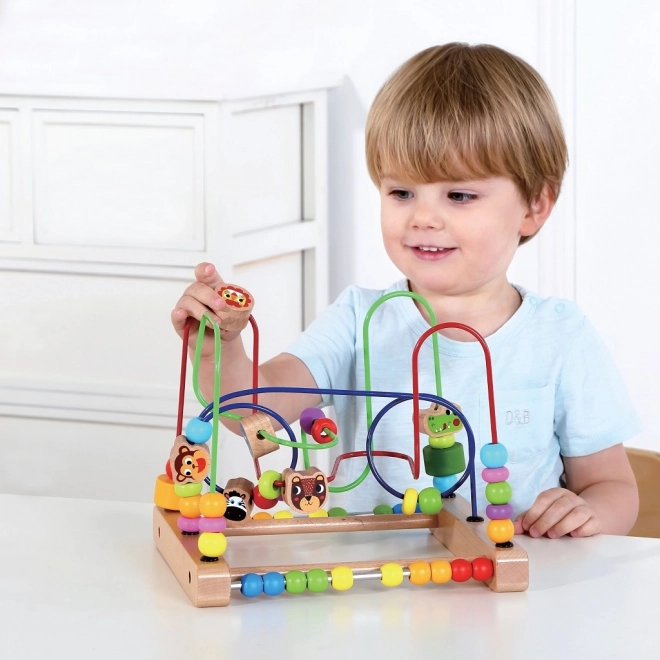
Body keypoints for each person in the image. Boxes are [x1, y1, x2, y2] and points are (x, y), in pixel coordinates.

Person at [171, 43, 640, 539]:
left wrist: (589, 514)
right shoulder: (357, 320)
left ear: (535, 205)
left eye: (459, 195)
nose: (423, 217)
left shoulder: (560, 336)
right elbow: (252, 409)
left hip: (514, 597)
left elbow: (612, 486)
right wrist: (218, 348)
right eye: (401, 192)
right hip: (373, 595)